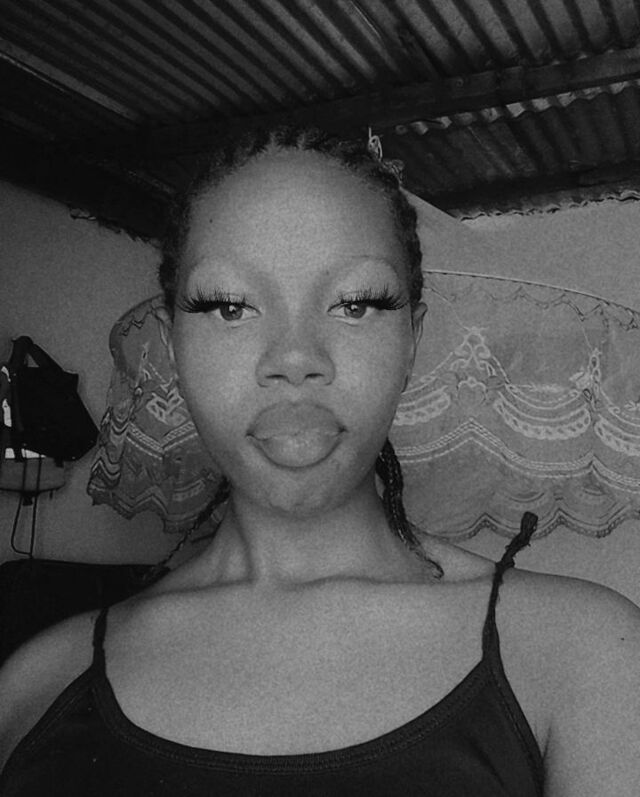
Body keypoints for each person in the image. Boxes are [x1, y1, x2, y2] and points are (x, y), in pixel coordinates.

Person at [1, 125, 639, 796]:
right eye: (228, 306)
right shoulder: (34, 685)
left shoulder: (584, 656)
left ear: (412, 339)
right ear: (173, 347)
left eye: (357, 303)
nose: (295, 357)